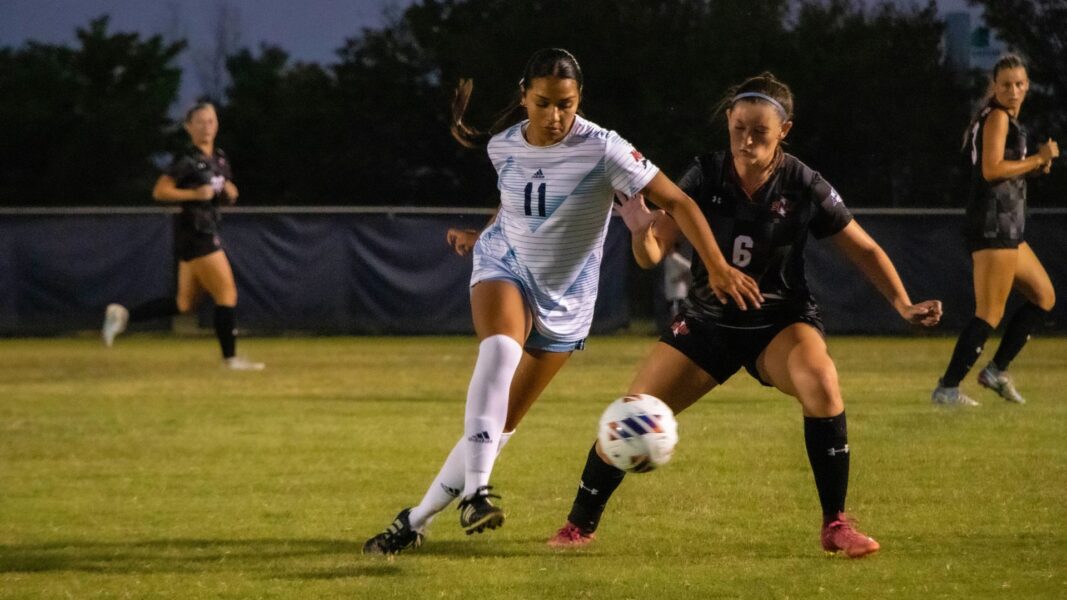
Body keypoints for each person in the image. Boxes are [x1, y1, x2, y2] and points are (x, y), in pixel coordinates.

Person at [361, 48, 762, 556]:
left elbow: (680, 201)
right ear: (524, 95)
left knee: (500, 425)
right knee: (500, 352)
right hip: (503, 266)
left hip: (566, 299)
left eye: (566, 105)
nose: (554, 117)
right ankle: (477, 493)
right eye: (544, 103)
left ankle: (415, 520)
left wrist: (719, 266)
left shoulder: (604, 148)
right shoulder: (504, 145)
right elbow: (512, 205)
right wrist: (479, 236)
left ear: (580, 100)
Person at [547, 73, 943, 558]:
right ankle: (577, 526)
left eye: (759, 130)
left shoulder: (802, 182)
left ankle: (836, 524)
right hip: (708, 324)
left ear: (785, 130)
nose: (746, 139)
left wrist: (902, 302)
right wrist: (638, 229)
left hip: (779, 322)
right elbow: (653, 254)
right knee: (633, 412)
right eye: (738, 128)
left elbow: (863, 249)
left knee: (822, 383)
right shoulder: (704, 175)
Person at [932, 54, 1057, 406]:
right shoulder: (998, 116)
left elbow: (1003, 169)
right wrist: (1038, 158)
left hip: (1007, 225)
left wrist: (1033, 168)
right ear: (994, 86)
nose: (1013, 90)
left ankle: (996, 371)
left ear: (1027, 85)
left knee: (1044, 297)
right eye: (1006, 84)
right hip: (992, 224)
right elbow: (990, 170)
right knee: (989, 312)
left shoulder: (1002, 117)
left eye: (1019, 84)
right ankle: (948, 388)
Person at [101, 101, 264, 371]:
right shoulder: (187, 159)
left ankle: (123, 315)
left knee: (184, 303)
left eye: (211, 121)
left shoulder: (219, 159)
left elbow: (221, 192)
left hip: (202, 232)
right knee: (227, 294)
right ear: (189, 127)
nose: (206, 127)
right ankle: (230, 359)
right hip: (197, 234)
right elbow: (160, 191)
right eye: (200, 121)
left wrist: (229, 192)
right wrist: (193, 194)